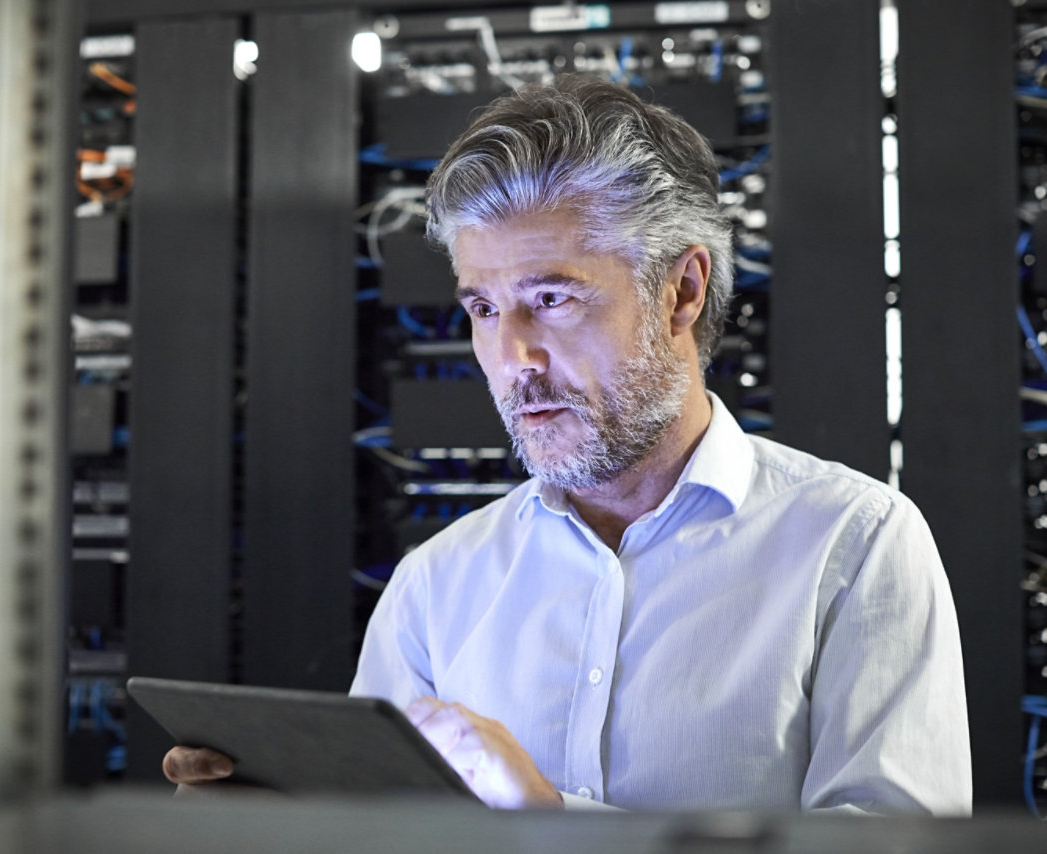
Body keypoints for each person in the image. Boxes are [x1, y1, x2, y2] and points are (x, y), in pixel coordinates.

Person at [163, 76, 971, 815]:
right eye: (483, 309)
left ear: (680, 292)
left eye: (549, 299)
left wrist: (554, 827)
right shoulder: (436, 588)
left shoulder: (856, 546)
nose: (514, 360)